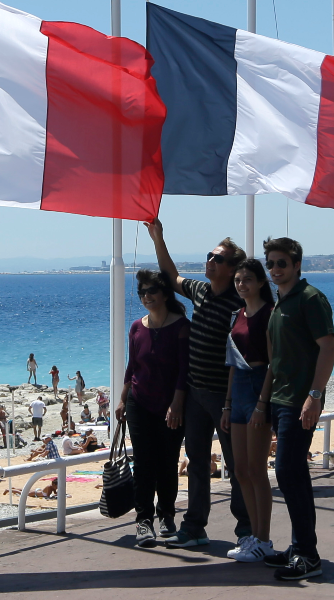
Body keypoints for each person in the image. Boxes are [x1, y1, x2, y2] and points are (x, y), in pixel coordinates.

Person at [144, 219, 252, 549]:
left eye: (217, 258)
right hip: (195, 393)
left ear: (233, 268)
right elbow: (171, 276)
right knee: (196, 461)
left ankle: (246, 531)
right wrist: (158, 237)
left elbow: (243, 357)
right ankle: (195, 528)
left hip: (224, 397)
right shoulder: (202, 291)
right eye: (209, 255)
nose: (210, 261)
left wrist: (232, 402)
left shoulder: (240, 305)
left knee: (237, 467)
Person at [259, 237, 334, 581]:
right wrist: (264, 402)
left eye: (282, 263)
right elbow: (276, 360)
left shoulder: (309, 299)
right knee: (292, 475)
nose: (275, 269)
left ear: (297, 265)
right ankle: (299, 547)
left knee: (289, 474)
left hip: (299, 401)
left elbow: (328, 348)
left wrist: (315, 396)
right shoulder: (279, 304)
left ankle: (308, 555)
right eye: (270, 263)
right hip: (280, 400)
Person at [115, 269, 190, 548]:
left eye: (151, 291)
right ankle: (143, 521)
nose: (146, 297)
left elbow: (185, 371)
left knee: (167, 462)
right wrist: (122, 399)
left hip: (171, 406)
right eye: (141, 292)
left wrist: (177, 404)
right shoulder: (137, 327)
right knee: (144, 463)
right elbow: (132, 366)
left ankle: (167, 515)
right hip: (139, 403)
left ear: (165, 294)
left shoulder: (182, 326)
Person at [219, 258, 276, 562]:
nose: (242, 284)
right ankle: (253, 535)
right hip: (239, 385)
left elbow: (272, 363)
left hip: (258, 385)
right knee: (240, 470)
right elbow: (232, 361)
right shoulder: (237, 315)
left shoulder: (269, 314)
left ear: (261, 283)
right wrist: (227, 404)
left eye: (248, 280)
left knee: (257, 469)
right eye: (238, 280)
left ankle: (264, 539)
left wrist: (262, 403)